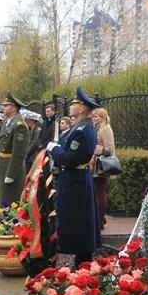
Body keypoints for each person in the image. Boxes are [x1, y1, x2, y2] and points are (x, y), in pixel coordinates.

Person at [48, 87, 100, 267]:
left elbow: (70, 158)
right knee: (80, 224)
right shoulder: (80, 128)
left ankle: (82, 267)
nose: (71, 105)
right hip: (76, 180)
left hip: (75, 182)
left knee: (78, 225)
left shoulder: (82, 130)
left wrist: (53, 149)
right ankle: (81, 265)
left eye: (75, 103)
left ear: (82, 109)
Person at [0, 93, 30, 206]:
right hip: (2, 166)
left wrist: (11, 174)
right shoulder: (8, 122)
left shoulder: (20, 125)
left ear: (14, 107)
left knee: (9, 201)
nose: (3, 108)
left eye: (6, 105)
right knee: (0, 200)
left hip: (11, 167)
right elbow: (0, 150)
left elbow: (19, 153)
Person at [90, 107, 115, 230]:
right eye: (93, 116)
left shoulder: (106, 129)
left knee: (99, 192)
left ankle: (99, 221)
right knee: (96, 192)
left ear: (103, 117)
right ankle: (100, 219)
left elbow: (109, 149)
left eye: (96, 116)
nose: (94, 119)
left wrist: (95, 148)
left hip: (101, 165)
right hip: (95, 164)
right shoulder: (98, 128)